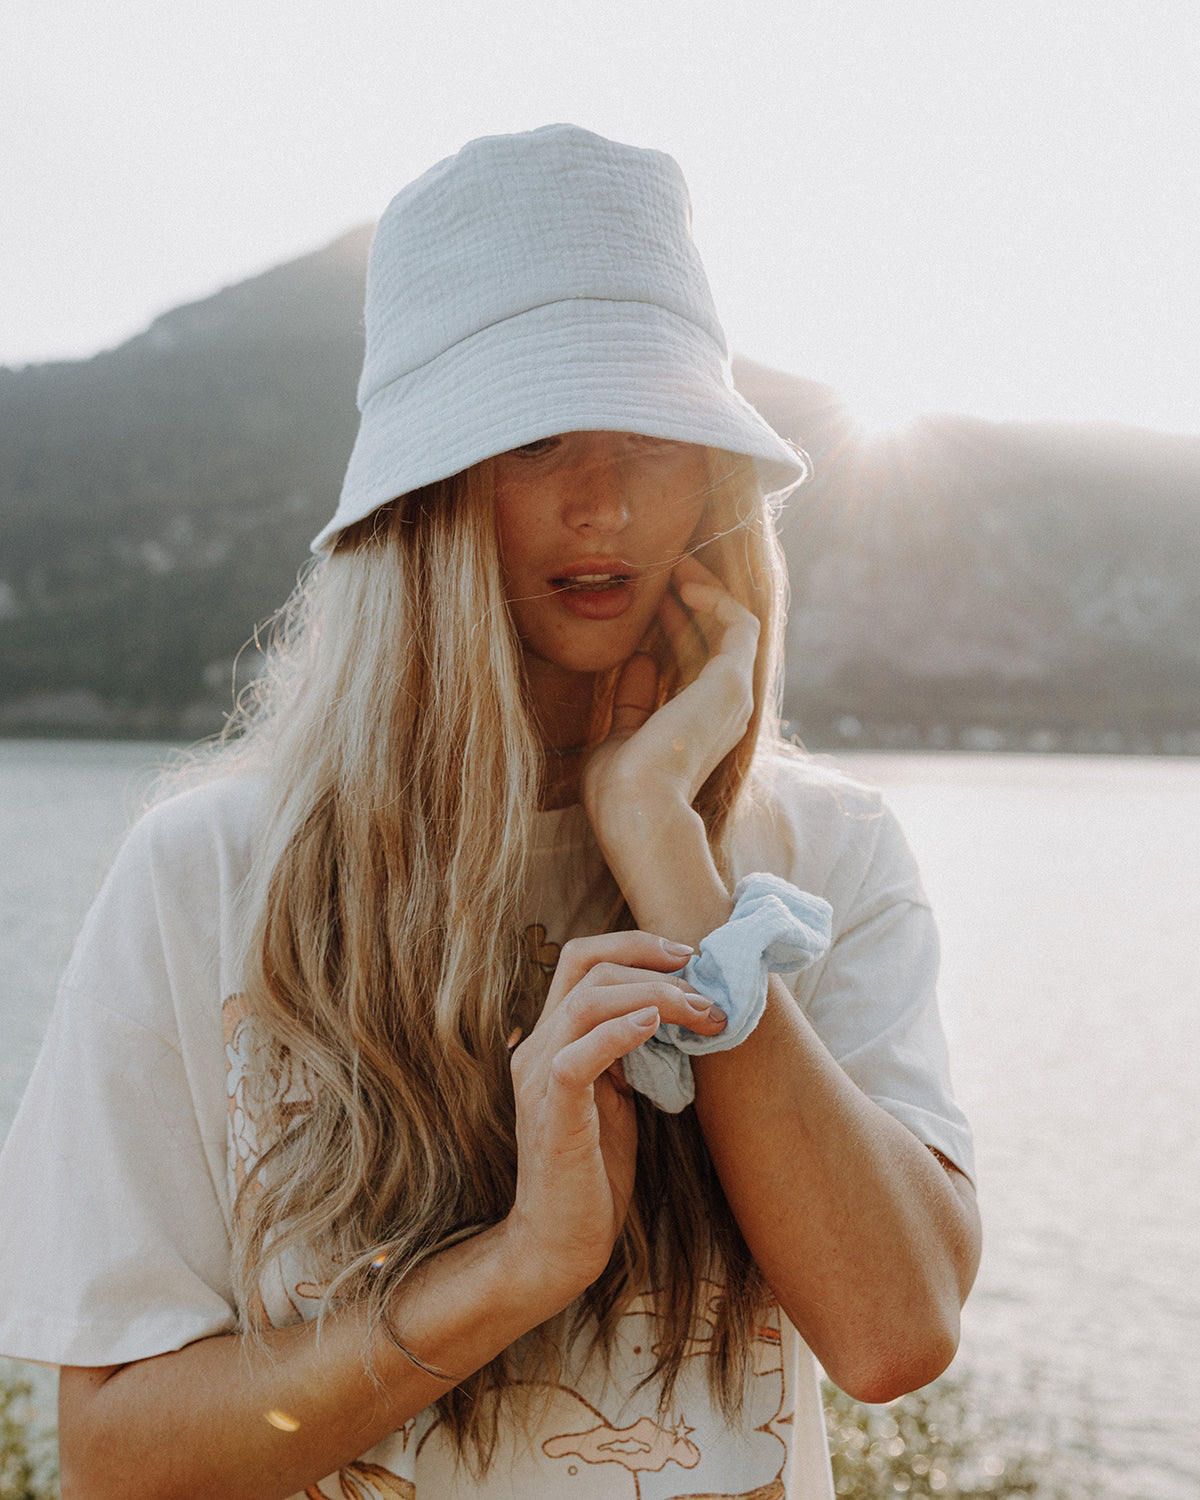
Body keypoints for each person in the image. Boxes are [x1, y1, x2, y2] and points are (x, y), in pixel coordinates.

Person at [0, 125, 979, 1499]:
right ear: (431, 493)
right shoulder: (210, 878)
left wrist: (664, 845)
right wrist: (510, 1273)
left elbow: (895, 1332)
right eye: (533, 439)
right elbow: (113, 1462)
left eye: (659, 431)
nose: (608, 499)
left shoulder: (822, 853)